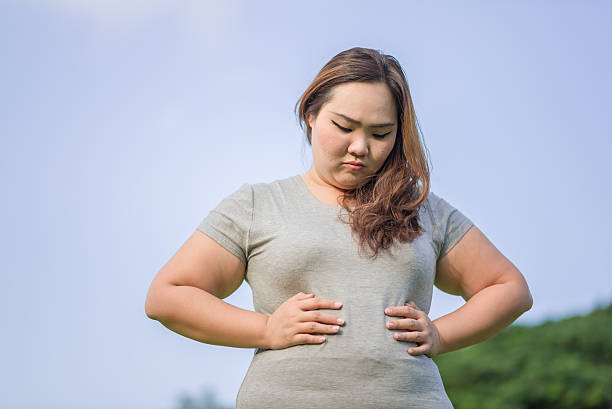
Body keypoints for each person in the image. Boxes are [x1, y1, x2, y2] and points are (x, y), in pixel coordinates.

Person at [144, 47, 533, 409]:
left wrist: (442, 334)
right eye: (345, 126)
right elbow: (168, 297)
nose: (360, 147)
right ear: (311, 114)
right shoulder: (257, 205)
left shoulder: (422, 210)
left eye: (381, 134)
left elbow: (509, 289)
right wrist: (266, 329)